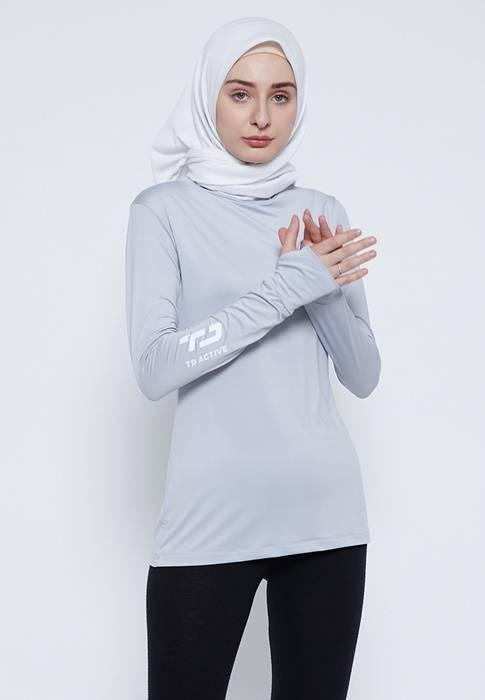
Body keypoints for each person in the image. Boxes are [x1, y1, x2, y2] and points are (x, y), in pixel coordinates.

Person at [125, 16, 380, 700]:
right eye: (240, 94)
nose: (262, 116)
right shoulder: (162, 211)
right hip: (209, 516)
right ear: (208, 95)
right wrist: (287, 286)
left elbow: (362, 374)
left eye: (280, 95)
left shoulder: (321, 210)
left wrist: (322, 292)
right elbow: (155, 366)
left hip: (324, 516)